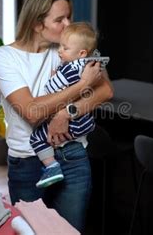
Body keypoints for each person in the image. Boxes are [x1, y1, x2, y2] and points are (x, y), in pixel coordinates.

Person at [0, 0, 113, 232]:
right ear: (37, 24)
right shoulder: (3, 57)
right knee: (31, 231)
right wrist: (84, 84)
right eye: (59, 19)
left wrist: (66, 113)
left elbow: (106, 91)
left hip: (73, 155)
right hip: (28, 162)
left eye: (69, 17)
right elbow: (32, 111)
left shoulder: (71, 48)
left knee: (69, 231)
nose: (68, 25)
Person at [29, 22, 100, 189]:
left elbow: (50, 88)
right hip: (84, 121)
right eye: (60, 46)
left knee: (36, 138)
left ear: (82, 53)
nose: (60, 50)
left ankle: (52, 168)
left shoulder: (70, 70)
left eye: (65, 48)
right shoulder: (89, 66)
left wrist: (53, 76)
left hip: (74, 124)